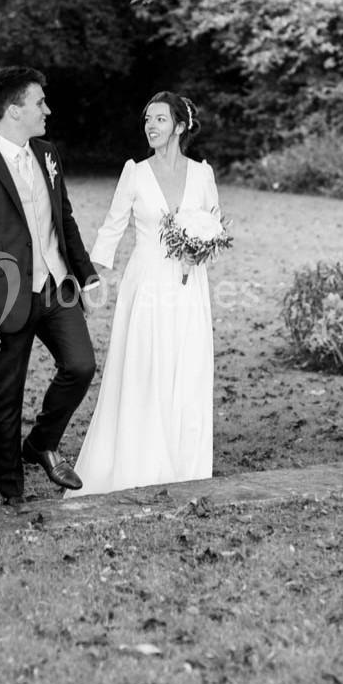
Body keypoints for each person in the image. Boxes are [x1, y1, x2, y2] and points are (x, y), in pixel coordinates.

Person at [0, 66, 101, 508]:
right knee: (7, 395)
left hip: (56, 287)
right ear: (14, 111)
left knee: (81, 365)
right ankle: (12, 489)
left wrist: (86, 277)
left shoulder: (47, 153)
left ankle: (41, 443)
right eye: (39, 103)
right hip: (5, 297)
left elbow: (63, 219)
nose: (47, 110)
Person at [66, 91, 219, 497]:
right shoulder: (134, 172)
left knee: (186, 365)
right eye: (147, 119)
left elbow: (214, 226)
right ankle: (141, 461)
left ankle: (184, 462)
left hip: (189, 285)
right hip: (147, 280)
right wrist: (91, 279)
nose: (150, 126)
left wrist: (199, 249)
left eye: (160, 120)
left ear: (180, 126)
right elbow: (112, 229)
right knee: (146, 365)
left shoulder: (203, 175)